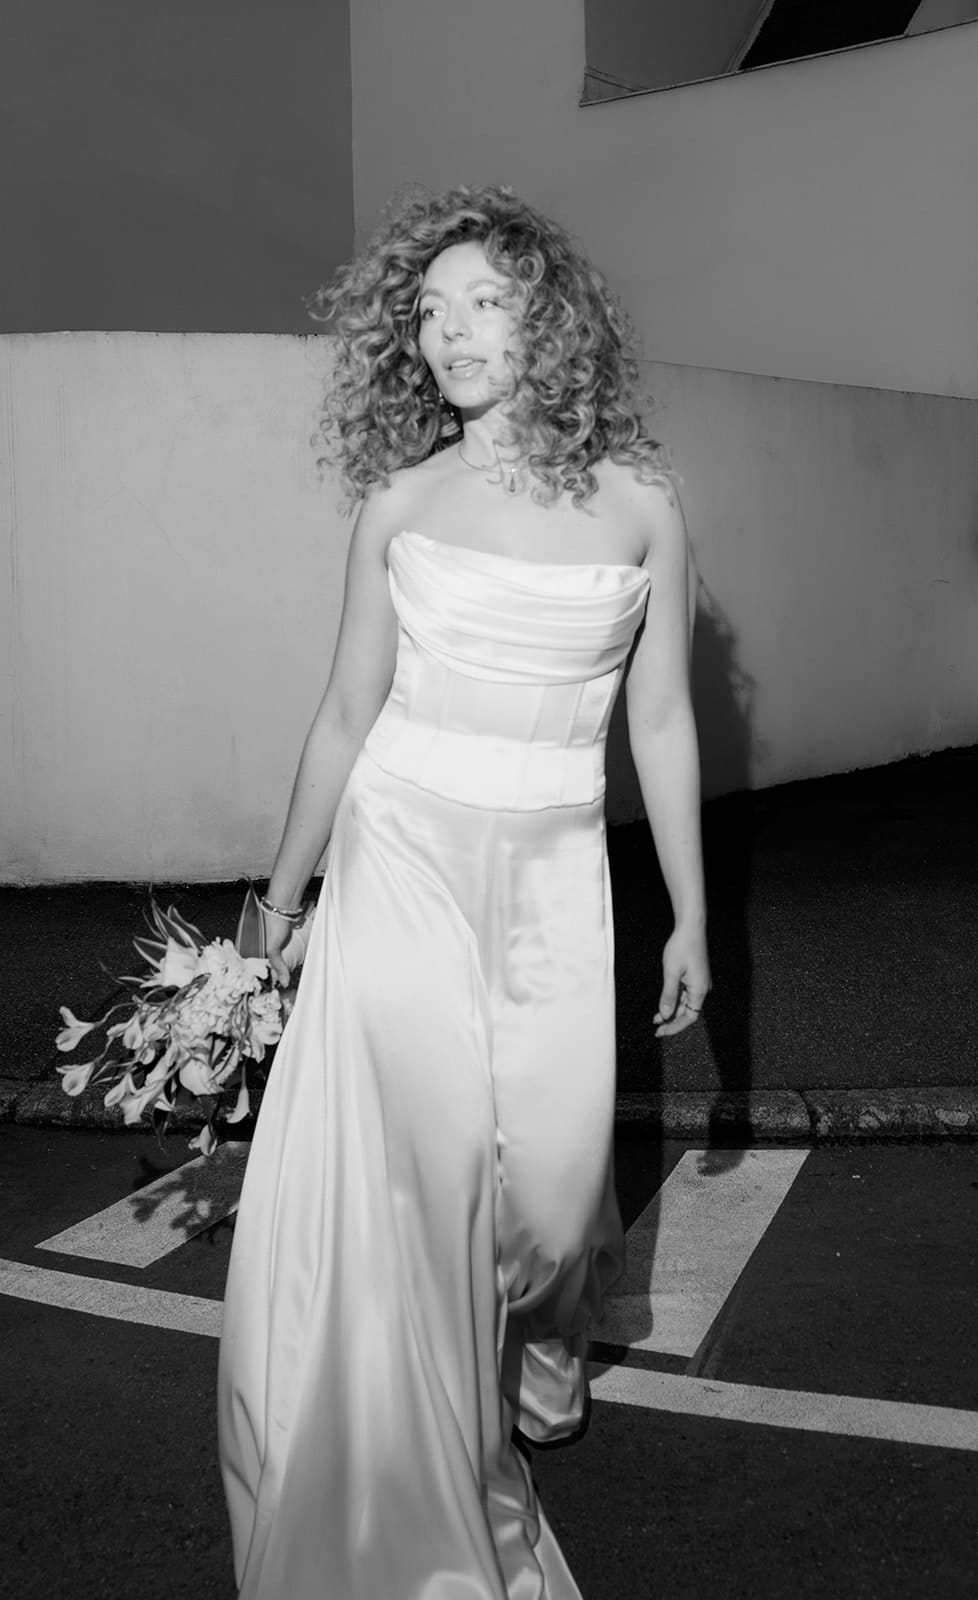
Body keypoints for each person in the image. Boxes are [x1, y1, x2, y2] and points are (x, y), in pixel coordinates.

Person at [217, 182, 711, 1600]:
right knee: (423, 1181)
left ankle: (549, 1338)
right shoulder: (401, 501)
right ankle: (427, 1460)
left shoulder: (644, 505)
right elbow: (343, 713)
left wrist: (689, 910)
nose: (451, 333)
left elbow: (662, 718)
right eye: (430, 311)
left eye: (485, 301)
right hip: (404, 860)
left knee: (551, 1198)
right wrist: (278, 907)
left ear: (550, 320)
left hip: (555, 872)